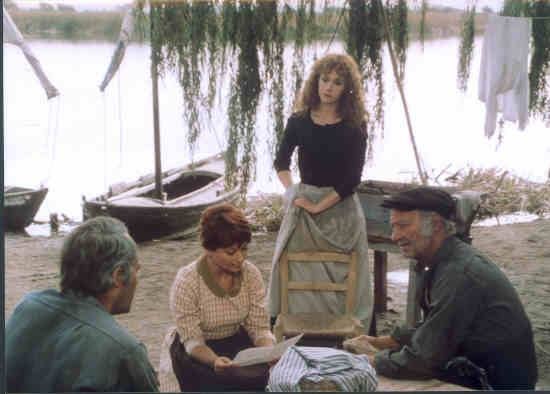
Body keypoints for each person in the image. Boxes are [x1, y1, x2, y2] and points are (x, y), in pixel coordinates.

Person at [351, 186, 538, 390]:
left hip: (495, 383)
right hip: (473, 367)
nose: (395, 236)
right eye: (393, 227)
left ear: (437, 225)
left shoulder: (459, 274)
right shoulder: (442, 259)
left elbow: (423, 361)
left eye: (403, 226)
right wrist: (380, 342)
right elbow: (434, 326)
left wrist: (371, 358)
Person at [267, 53, 372, 330]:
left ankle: (341, 328)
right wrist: (291, 192)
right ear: (315, 81)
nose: (328, 87)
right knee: (287, 262)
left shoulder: (355, 125)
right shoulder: (299, 120)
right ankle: (296, 326)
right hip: (303, 202)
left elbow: (352, 179)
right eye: (324, 80)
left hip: (341, 207)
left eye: (337, 83)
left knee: (346, 272)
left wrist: (319, 206)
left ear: (346, 88)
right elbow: (281, 162)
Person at [5, 216, 159, 392]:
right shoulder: (125, 351)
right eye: (137, 270)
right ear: (118, 275)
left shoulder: (27, 307)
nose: (137, 279)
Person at [158, 203, 276, 392]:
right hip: (198, 353)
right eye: (230, 252)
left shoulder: (251, 274)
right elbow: (192, 341)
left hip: (234, 344)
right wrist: (214, 361)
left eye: (244, 249)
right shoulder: (187, 281)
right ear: (208, 249)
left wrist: (269, 351)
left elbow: (259, 327)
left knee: (264, 379)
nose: (239, 258)